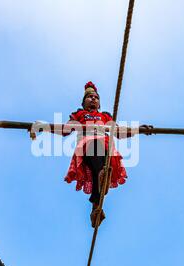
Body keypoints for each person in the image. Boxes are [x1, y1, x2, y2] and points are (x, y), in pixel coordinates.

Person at [59, 81, 152, 227]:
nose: (93, 99)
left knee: (100, 174)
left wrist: (137, 130)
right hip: (86, 147)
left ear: (99, 103)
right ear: (84, 103)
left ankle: (95, 210)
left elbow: (119, 132)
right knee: (96, 153)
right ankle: (103, 175)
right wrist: (43, 127)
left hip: (106, 148)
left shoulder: (105, 116)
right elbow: (64, 130)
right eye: (89, 97)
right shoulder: (79, 114)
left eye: (96, 97)